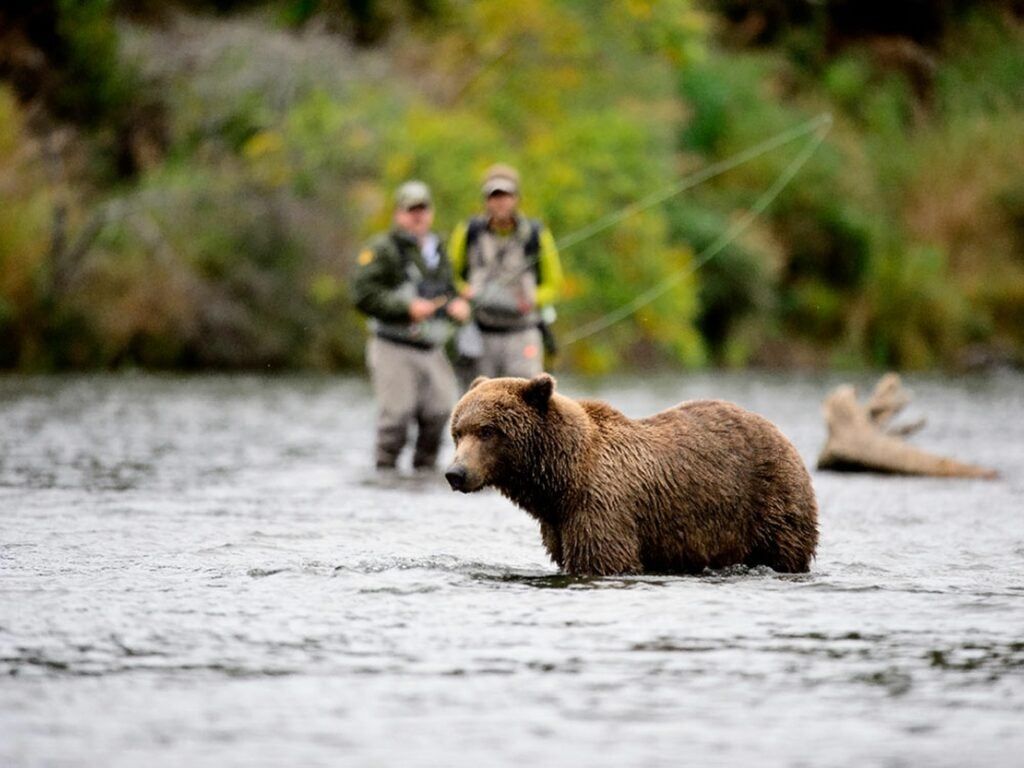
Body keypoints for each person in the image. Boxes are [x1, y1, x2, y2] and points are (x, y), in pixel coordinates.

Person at [352, 180, 470, 471]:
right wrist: (406, 307)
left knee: (441, 411)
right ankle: (385, 473)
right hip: (392, 345)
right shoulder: (382, 248)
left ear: (430, 212)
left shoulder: (438, 248)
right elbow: (362, 294)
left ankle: (423, 473)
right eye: (411, 210)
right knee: (397, 416)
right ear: (398, 214)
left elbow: (446, 289)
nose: (418, 215)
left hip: (430, 346)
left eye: (423, 209)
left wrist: (457, 303)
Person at [449, 164, 563, 381]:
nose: (500, 201)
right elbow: (449, 276)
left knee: (527, 404)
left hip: (523, 334)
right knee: (479, 405)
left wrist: (532, 299)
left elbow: (554, 285)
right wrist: (465, 292)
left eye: (506, 195)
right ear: (486, 200)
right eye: (494, 195)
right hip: (481, 335)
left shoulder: (536, 235)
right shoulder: (469, 232)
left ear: (516, 198)